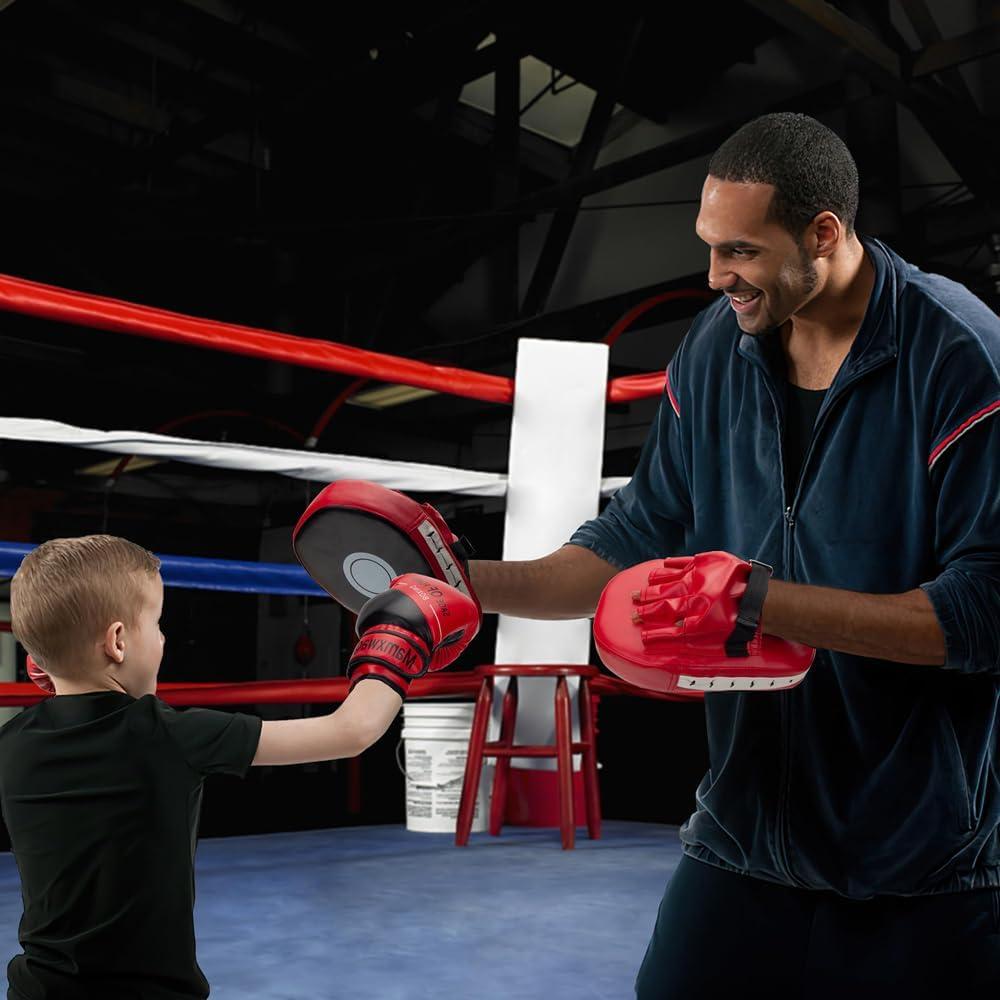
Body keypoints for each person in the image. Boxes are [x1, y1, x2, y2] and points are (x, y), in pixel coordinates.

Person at [466, 113, 1000, 997]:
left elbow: (986, 611)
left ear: (822, 233)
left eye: (741, 251)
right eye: (710, 247)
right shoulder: (718, 348)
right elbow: (634, 533)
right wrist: (462, 583)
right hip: (744, 833)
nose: (717, 276)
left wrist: (755, 600)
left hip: (922, 859)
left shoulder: (962, 357)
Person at [0, 534, 477, 999]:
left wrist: (59, 662)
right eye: (157, 624)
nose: (163, 639)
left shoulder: (13, 742)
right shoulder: (169, 735)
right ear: (118, 642)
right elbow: (353, 730)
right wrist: (398, 638)